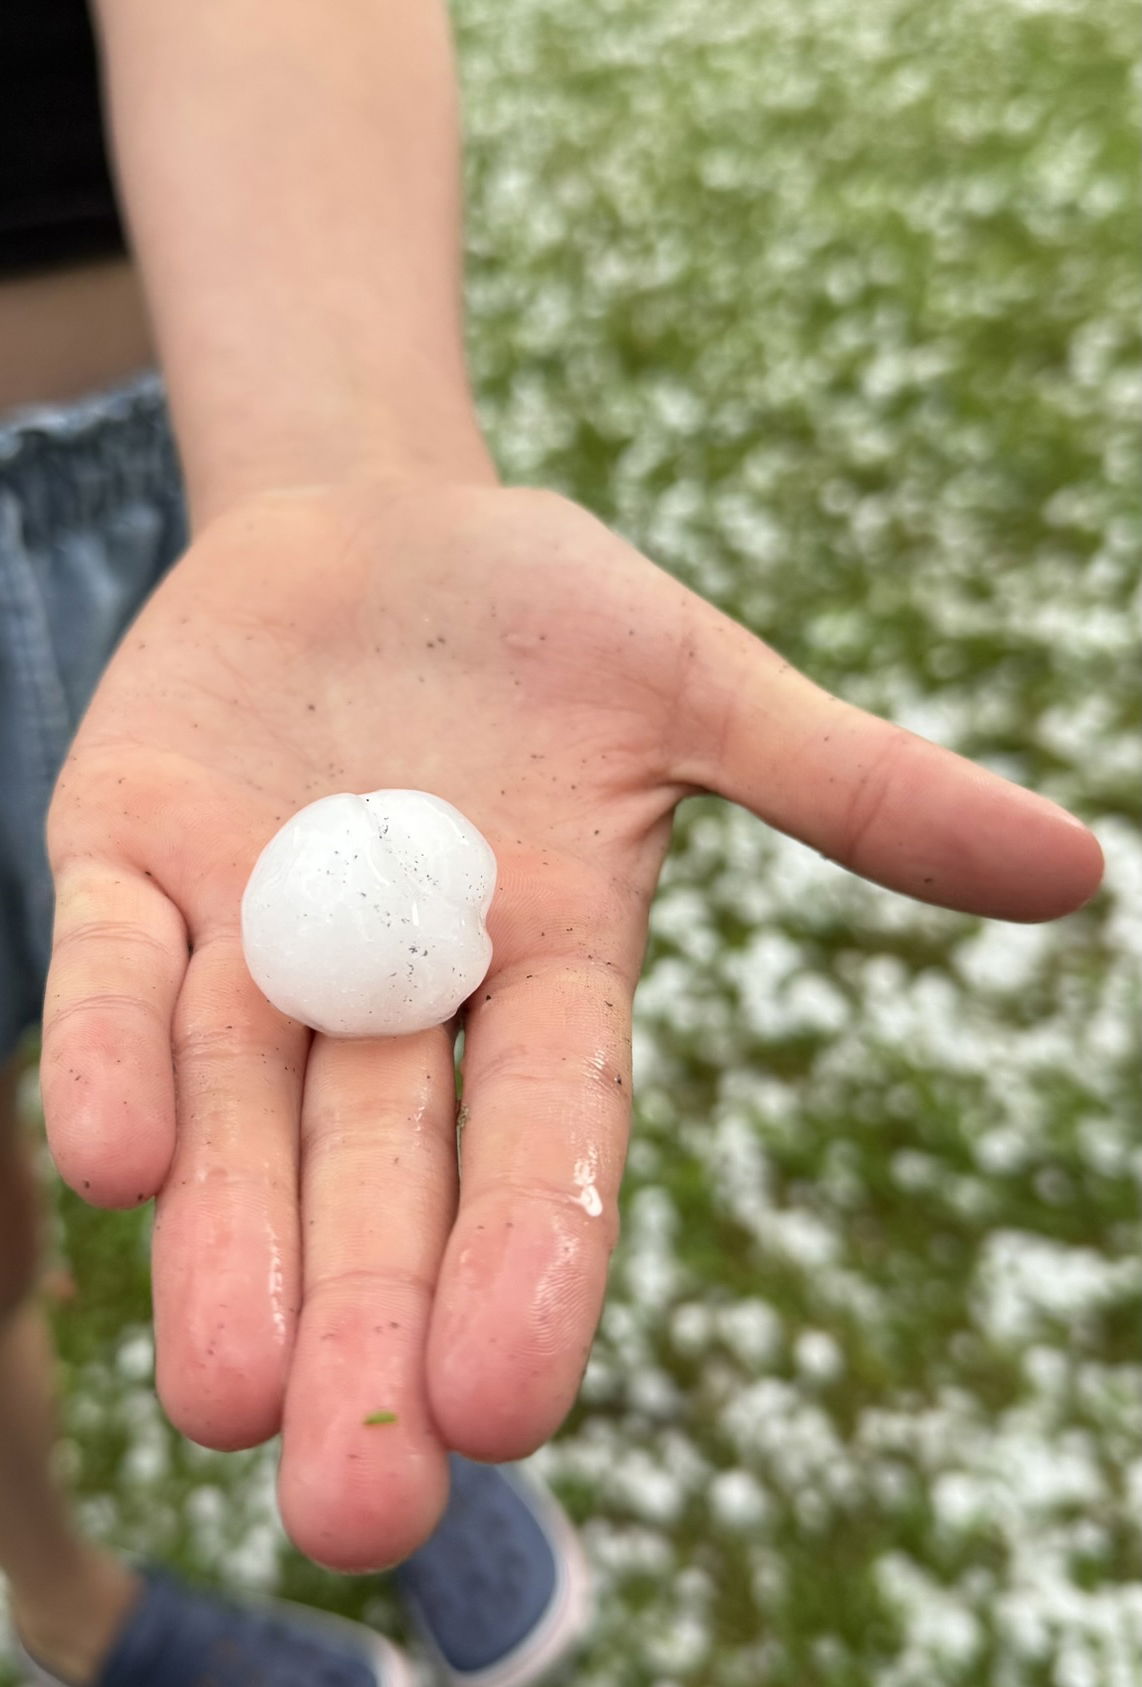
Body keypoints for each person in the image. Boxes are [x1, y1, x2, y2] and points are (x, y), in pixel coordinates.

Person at [0, 0, 1104, 1682]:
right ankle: (61, 1594)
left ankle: (404, 1390)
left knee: (337, 1169)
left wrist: (347, 466)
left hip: (192, 479)